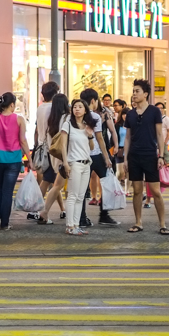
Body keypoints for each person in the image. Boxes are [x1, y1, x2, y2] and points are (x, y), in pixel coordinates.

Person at [118, 80, 169, 235]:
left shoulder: (154, 111)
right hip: (134, 156)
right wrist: (126, 159)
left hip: (150, 155)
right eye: (133, 91)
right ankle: (138, 222)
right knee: (137, 190)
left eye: (137, 91)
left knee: (155, 191)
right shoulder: (131, 114)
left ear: (145, 94)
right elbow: (127, 137)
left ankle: (163, 224)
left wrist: (161, 155)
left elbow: (160, 134)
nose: (134, 94)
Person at [55, 98, 105, 236]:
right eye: (75, 107)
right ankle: (70, 226)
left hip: (86, 163)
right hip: (74, 163)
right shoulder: (68, 125)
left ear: (85, 110)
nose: (77, 109)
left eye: (80, 107)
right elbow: (63, 145)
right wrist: (65, 163)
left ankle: (76, 225)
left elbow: (92, 147)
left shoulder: (87, 125)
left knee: (81, 196)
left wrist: (89, 136)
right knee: (73, 195)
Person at [0, 92, 30, 230]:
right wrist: (29, 159)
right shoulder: (19, 119)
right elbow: (23, 141)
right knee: (8, 191)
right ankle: (5, 223)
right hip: (13, 159)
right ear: (12, 105)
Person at [78, 88, 119, 227]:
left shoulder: (77, 115)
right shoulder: (95, 116)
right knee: (106, 182)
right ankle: (104, 215)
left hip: (82, 156)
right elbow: (100, 138)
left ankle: (82, 218)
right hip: (96, 155)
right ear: (93, 101)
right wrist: (107, 157)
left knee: (82, 188)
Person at [35, 94, 70, 224]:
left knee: (54, 184)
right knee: (57, 186)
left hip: (52, 155)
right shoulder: (66, 119)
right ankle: (43, 212)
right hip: (65, 157)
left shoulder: (52, 119)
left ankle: (60, 210)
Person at [34, 82, 59, 198]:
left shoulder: (40, 108)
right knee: (52, 180)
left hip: (41, 146)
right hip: (52, 149)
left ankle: (62, 209)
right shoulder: (53, 108)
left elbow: (38, 129)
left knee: (53, 181)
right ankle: (37, 208)